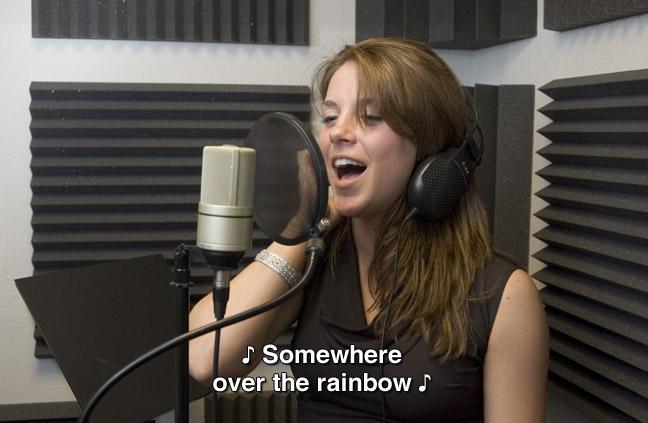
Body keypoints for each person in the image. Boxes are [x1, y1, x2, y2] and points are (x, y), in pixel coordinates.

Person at [188, 38, 549, 422]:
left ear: (434, 154)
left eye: (370, 117)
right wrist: (307, 222)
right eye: (329, 117)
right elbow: (207, 359)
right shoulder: (316, 260)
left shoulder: (502, 297)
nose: (337, 133)